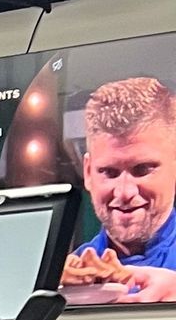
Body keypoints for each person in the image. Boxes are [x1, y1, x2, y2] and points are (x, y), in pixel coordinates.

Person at [61, 77, 176, 305]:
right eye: (109, 172)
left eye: (142, 169)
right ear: (88, 173)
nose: (124, 192)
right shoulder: (64, 280)